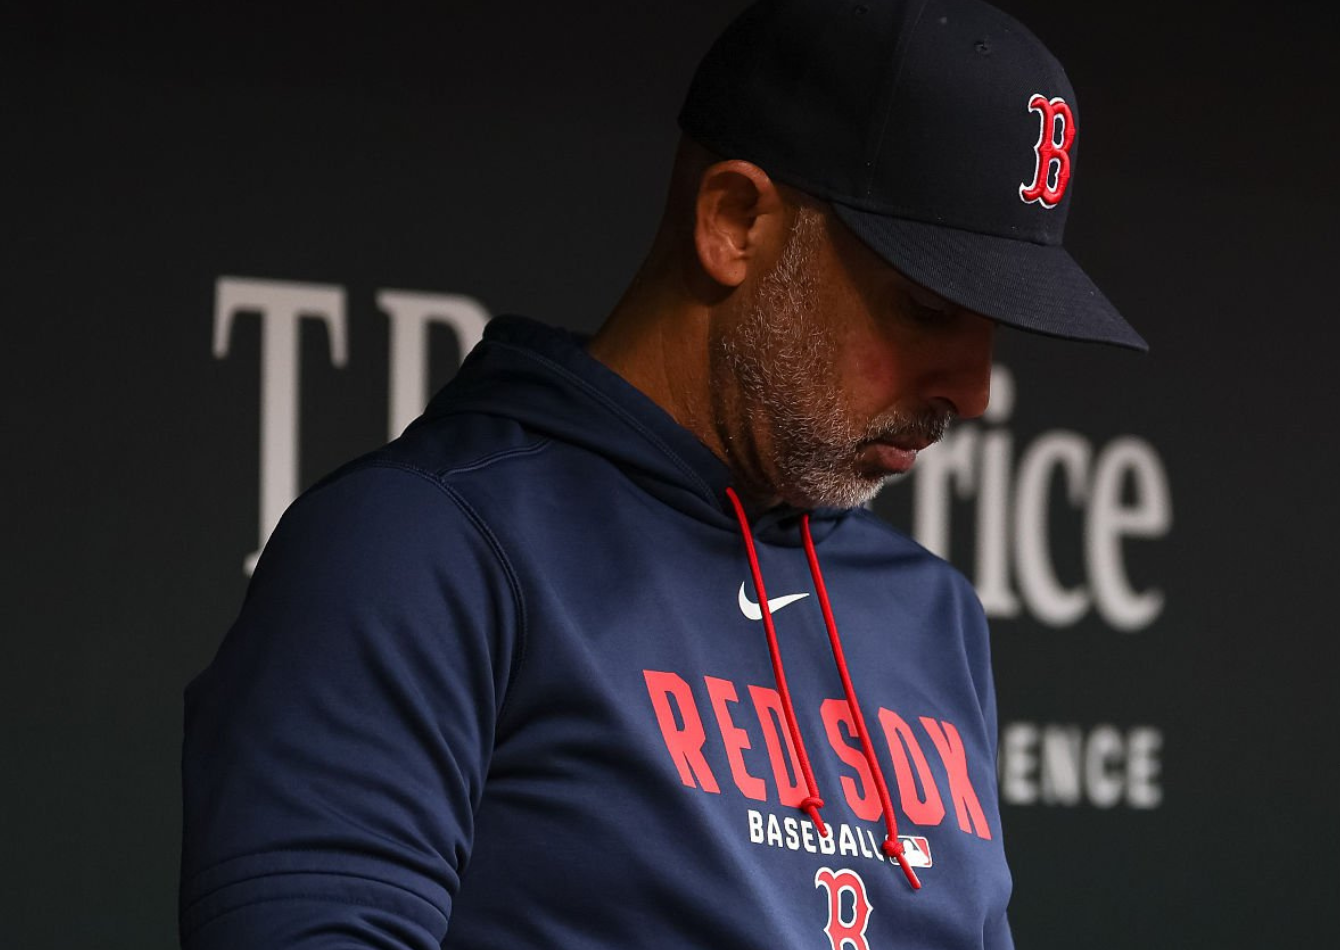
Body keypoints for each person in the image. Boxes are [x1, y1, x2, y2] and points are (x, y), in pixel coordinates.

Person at [180, 1, 1146, 948]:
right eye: (927, 308)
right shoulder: (420, 546)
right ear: (734, 223)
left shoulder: (932, 614)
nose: (973, 389)